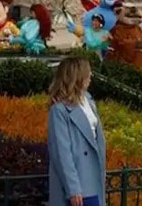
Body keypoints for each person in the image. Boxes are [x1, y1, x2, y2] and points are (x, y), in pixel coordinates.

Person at [48, 56, 107, 206]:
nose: (91, 76)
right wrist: (73, 188)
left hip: (93, 179)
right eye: (88, 73)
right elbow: (62, 152)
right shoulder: (59, 110)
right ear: (77, 77)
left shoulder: (88, 100)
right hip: (79, 185)